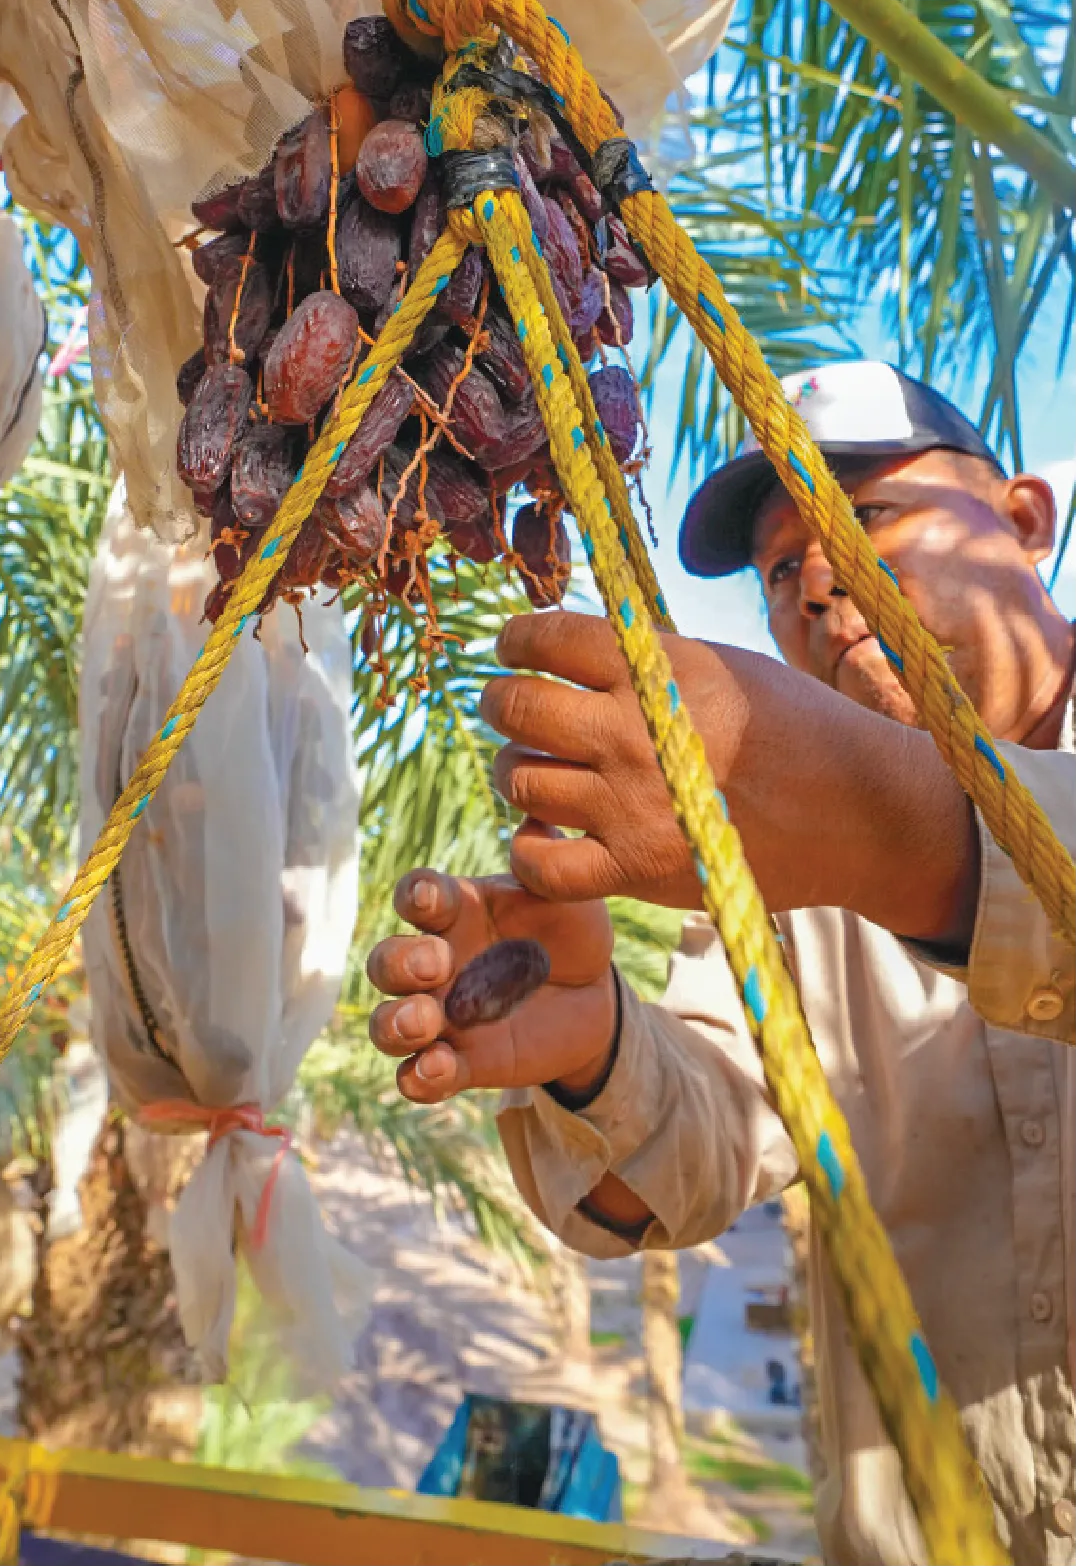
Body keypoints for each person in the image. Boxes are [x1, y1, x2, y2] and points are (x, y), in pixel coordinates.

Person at [367, 362, 1076, 1567]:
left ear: (1022, 520)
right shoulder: (791, 892)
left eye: (870, 517)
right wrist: (594, 1053)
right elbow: (700, 1148)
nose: (820, 586)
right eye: (781, 571)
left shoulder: (824, 842)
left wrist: (887, 825)